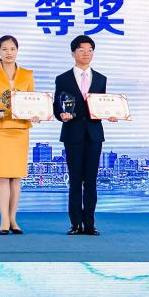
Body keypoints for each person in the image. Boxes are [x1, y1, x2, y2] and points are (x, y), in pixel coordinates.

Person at [54, 34, 114, 236]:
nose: (86, 54)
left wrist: (111, 113)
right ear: (73, 53)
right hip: (72, 134)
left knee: (91, 181)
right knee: (75, 180)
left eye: (90, 50)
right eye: (82, 50)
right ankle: (75, 224)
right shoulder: (62, 79)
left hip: (94, 135)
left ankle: (89, 224)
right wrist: (61, 115)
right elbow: (57, 106)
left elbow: (102, 105)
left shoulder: (101, 79)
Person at [0, 35, 38, 235]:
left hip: (20, 129)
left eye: (12, 49)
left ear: (17, 50)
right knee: (2, 175)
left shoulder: (27, 74)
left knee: (16, 176)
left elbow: (32, 99)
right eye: (5, 49)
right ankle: (4, 220)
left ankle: (13, 218)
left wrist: (36, 113)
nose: (9, 53)